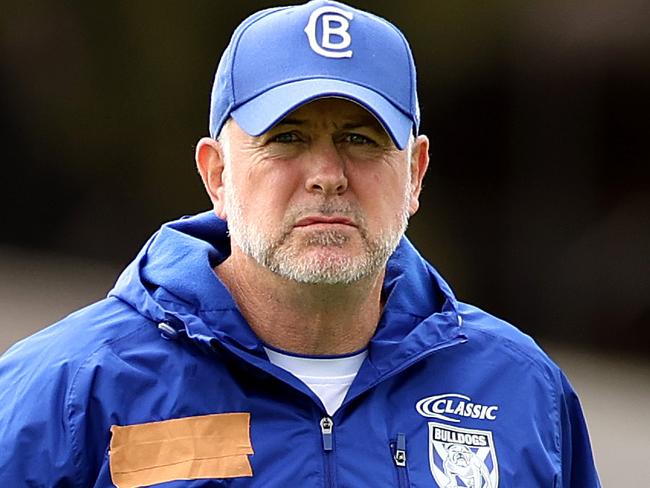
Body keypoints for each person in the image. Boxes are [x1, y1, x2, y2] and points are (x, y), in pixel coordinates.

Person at [0, 1, 600, 486]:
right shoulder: (66, 389)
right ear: (217, 176)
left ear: (415, 173)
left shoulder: (521, 389)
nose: (327, 174)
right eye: (286, 137)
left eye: (361, 140)